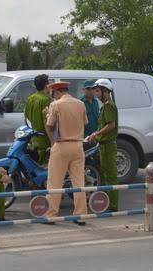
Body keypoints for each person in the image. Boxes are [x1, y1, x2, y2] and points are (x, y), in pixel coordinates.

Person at [44, 81, 88, 225]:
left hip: (61, 146)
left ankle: (52, 214)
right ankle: (80, 215)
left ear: (56, 92)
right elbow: (85, 123)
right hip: (78, 145)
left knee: (55, 182)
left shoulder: (55, 105)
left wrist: (46, 116)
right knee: (79, 183)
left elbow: (50, 126)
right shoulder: (80, 104)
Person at [87, 79, 119, 212]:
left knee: (111, 176)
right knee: (105, 175)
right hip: (104, 144)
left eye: (98, 90)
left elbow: (111, 125)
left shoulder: (109, 106)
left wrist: (96, 134)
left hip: (109, 146)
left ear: (105, 91)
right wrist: (96, 134)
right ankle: (107, 202)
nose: (95, 93)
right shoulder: (105, 106)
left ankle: (113, 205)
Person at [25, 74, 52, 166]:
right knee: (44, 165)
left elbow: (26, 118)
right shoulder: (46, 100)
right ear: (46, 85)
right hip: (44, 138)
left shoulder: (30, 98)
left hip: (32, 137)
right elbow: (48, 121)